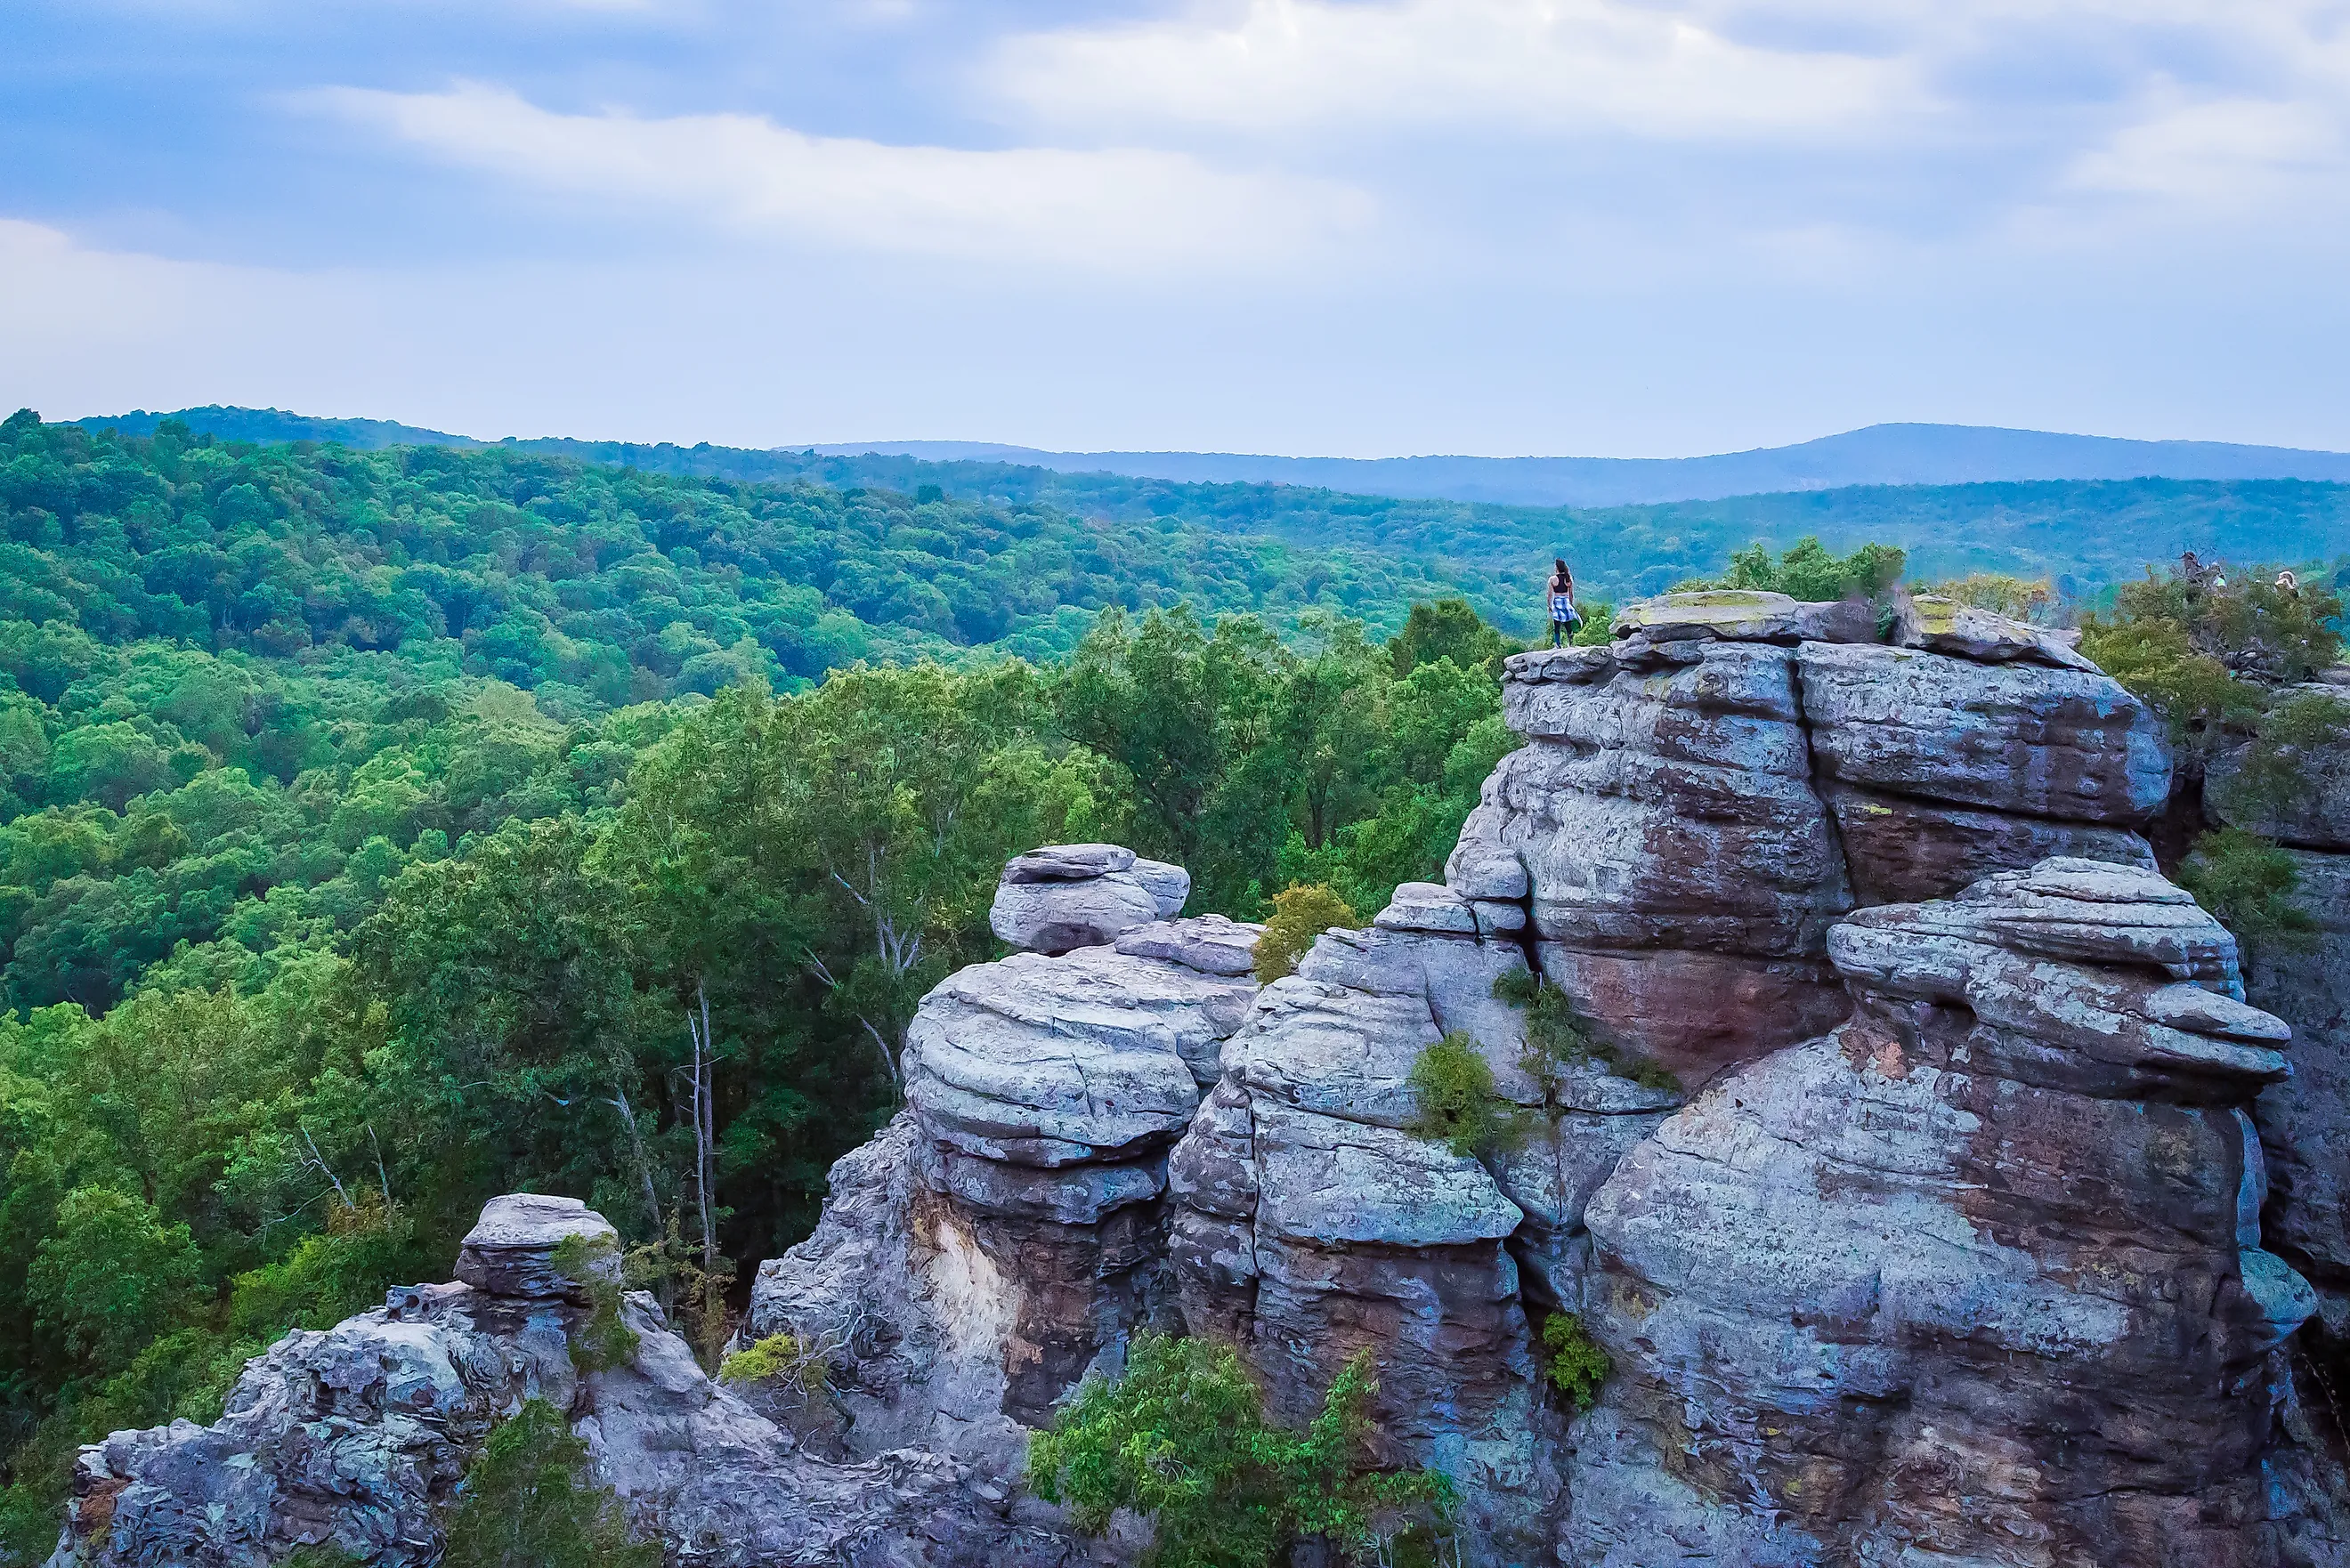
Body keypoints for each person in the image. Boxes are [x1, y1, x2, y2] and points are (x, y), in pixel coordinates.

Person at [1547, 558, 1581, 648]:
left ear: (1557, 568)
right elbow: (1571, 594)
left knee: (1557, 624)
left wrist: (1549, 605)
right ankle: (1571, 643)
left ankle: (1558, 644)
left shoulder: (1552, 579)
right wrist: (1570, 604)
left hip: (1557, 601)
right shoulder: (1568, 578)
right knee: (1568, 624)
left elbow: (1550, 594)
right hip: (1566, 601)